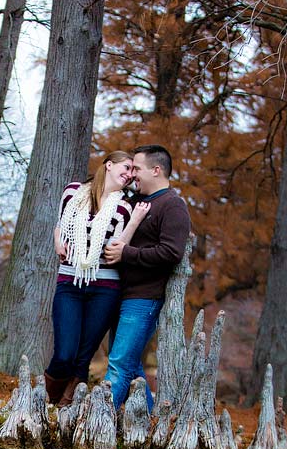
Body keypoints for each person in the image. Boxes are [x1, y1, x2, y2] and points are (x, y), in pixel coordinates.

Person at [44, 151, 150, 407]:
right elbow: (61, 223)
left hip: (105, 288)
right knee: (64, 354)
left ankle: (64, 409)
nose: (129, 174)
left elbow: (116, 250)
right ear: (108, 164)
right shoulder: (73, 192)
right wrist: (58, 241)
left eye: (133, 171)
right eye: (126, 167)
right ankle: (48, 401)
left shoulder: (124, 207)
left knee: (82, 358)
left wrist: (134, 221)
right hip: (70, 282)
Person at [104, 144, 190, 411]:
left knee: (119, 363)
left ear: (156, 170)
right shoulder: (137, 202)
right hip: (122, 294)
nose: (133, 175)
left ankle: (98, 421)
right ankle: (151, 417)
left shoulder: (172, 205)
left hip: (144, 298)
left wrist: (127, 253)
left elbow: (171, 253)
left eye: (137, 169)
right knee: (130, 364)